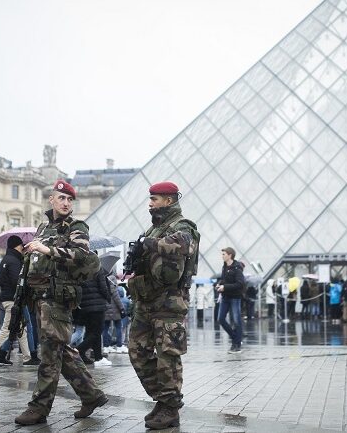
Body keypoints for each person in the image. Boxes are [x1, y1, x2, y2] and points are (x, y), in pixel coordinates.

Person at [14, 179, 107, 425]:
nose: (66, 203)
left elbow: (81, 255)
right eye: (61, 198)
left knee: (49, 355)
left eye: (69, 199)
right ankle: (92, 395)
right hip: (40, 297)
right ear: (51, 199)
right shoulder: (43, 228)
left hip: (58, 300)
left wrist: (48, 251)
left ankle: (39, 408)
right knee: (60, 350)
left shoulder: (76, 227)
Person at [127, 181, 199, 430]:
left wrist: (147, 244)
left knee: (168, 355)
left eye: (154, 199)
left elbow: (181, 245)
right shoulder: (153, 228)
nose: (150, 203)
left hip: (169, 302)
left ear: (168, 200)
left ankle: (169, 408)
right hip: (146, 300)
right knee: (137, 351)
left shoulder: (182, 225)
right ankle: (164, 399)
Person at [0, 235, 34, 367]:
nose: (22, 248)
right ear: (17, 246)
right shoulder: (14, 261)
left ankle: (27, 357)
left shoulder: (6, 259)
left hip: (8, 299)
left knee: (21, 328)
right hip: (13, 300)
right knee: (6, 329)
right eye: (21, 246)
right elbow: (17, 282)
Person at [76, 267, 112, 367]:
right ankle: (78, 350)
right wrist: (109, 297)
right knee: (96, 333)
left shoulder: (79, 269)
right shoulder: (97, 269)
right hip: (97, 305)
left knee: (91, 332)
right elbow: (103, 287)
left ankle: (98, 357)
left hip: (85, 306)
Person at [216, 247, 245, 352]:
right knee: (220, 319)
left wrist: (225, 287)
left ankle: (237, 345)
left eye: (224, 254)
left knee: (237, 321)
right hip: (225, 297)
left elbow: (240, 284)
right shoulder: (224, 267)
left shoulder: (237, 268)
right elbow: (224, 279)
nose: (222, 256)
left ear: (230, 255)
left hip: (235, 298)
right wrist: (219, 284)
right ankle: (235, 338)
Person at [102, 274, 126, 354]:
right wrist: (122, 308)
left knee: (105, 329)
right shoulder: (113, 283)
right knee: (119, 327)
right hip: (115, 310)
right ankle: (119, 346)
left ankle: (106, 346)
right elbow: (116, 298)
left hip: (106, 310)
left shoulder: (103, 284)